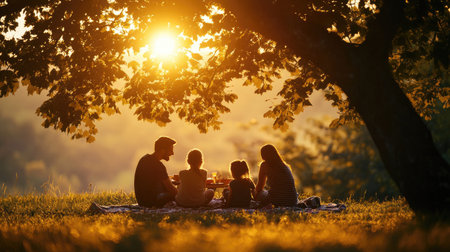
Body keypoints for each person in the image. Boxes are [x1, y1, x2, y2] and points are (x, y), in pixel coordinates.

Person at [134, 136, 178, 208]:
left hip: (142, 200)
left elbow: (156, 179)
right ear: (162, 150)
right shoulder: (159, 166)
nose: (172, 153)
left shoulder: (145, 159)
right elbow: (172, 190)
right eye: (170, 150)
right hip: (152, 201)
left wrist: (172, 179)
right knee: (179, 194)